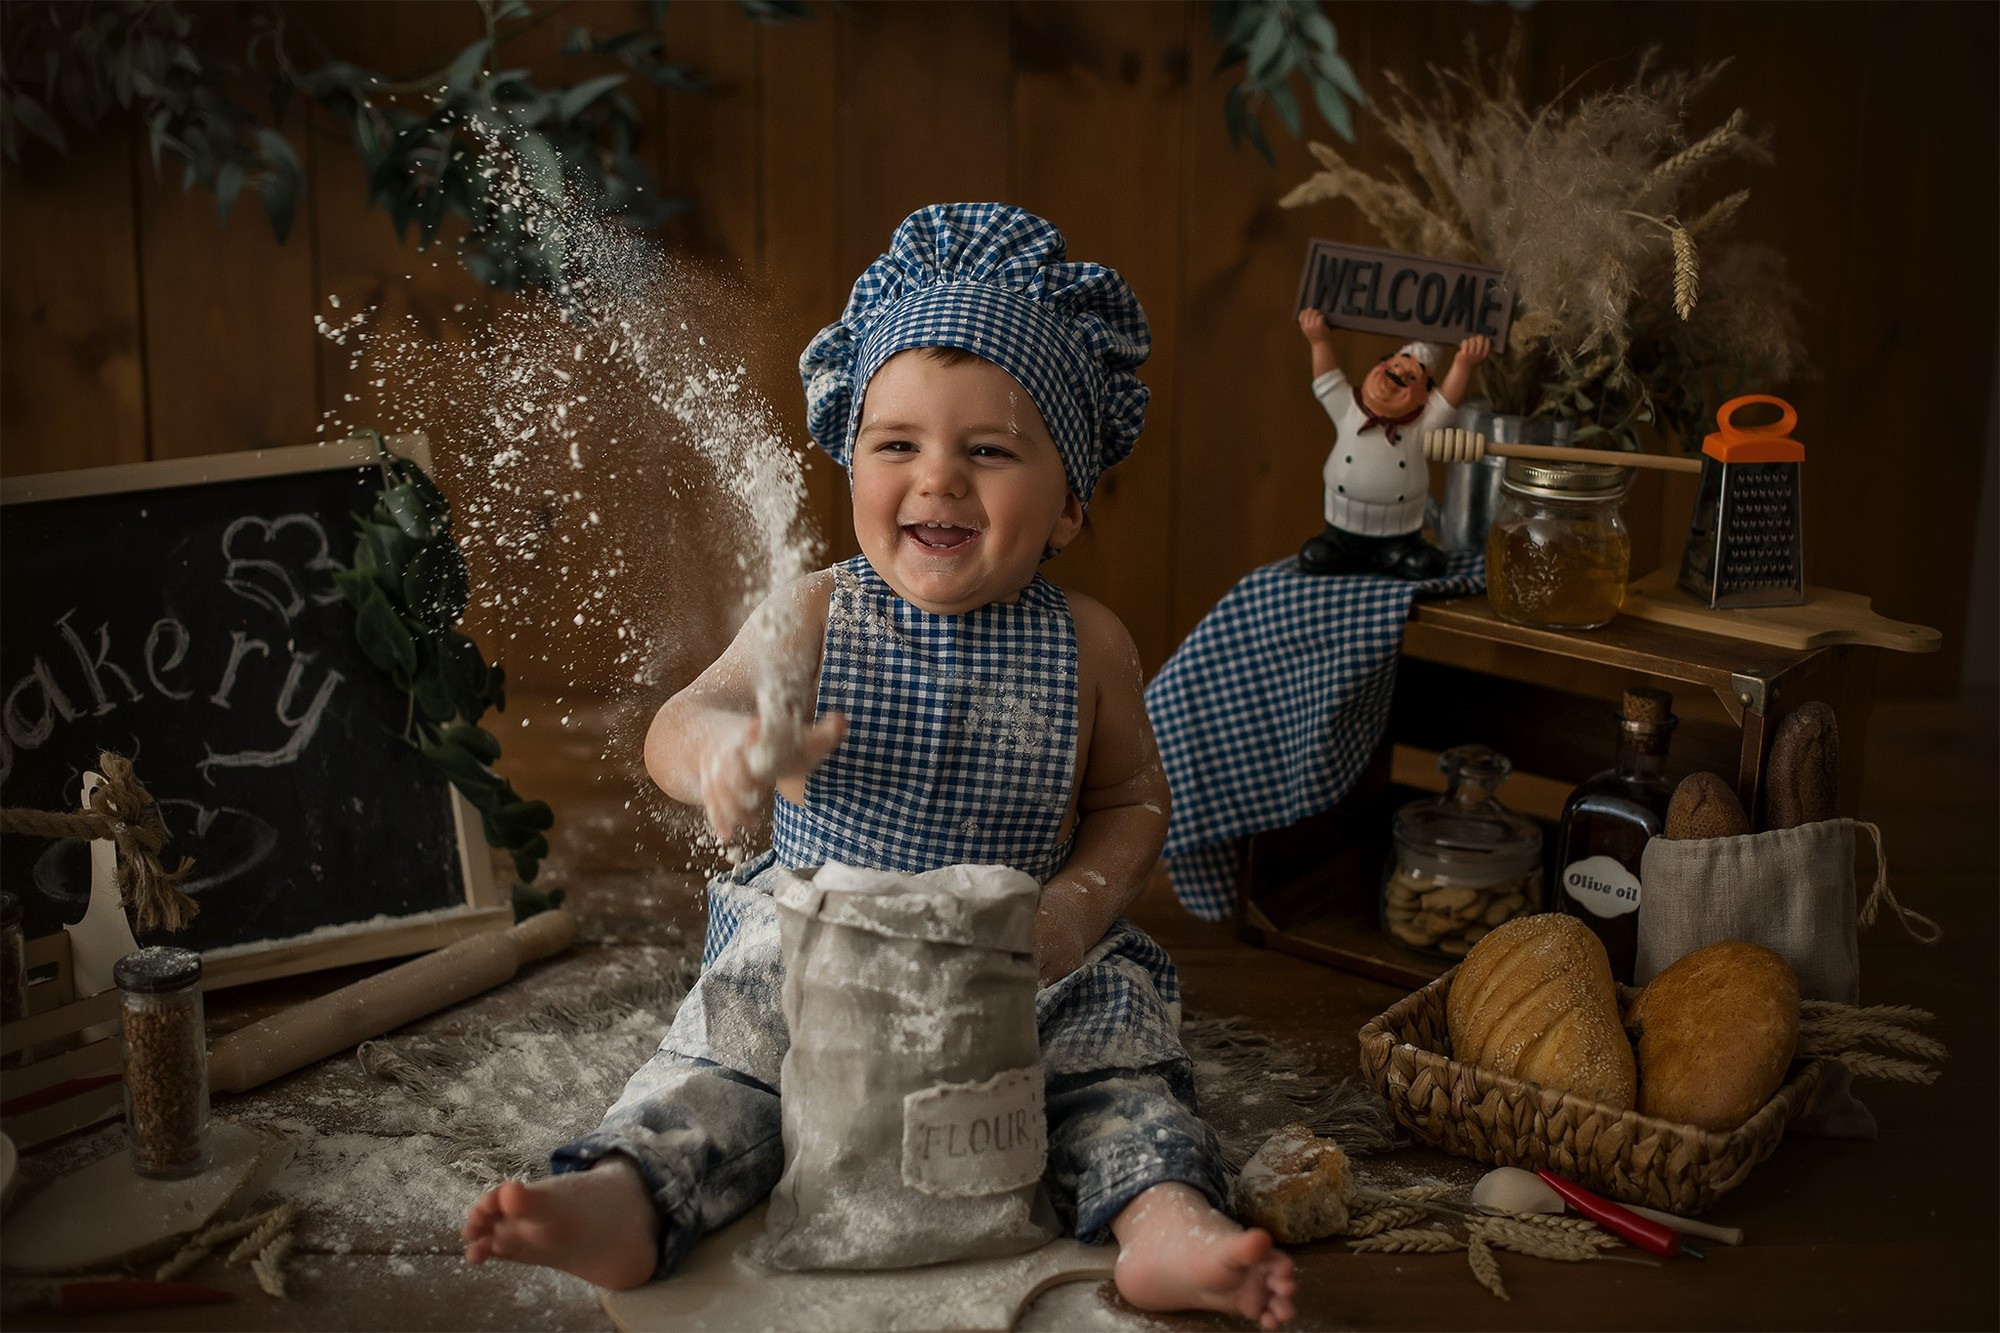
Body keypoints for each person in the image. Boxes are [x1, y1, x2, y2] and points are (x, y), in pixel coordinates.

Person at [461, 204, 1298, 1329]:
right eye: (895, 443)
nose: (936, 480)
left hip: (1012, 963)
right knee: (728, 1073)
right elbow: (682, 719)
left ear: (1069, 502)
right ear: (849, 456)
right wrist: (723, 755)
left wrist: (1070, 912)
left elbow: (1130, 802)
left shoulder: (1088, 642)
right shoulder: (814, 612)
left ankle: (1161, 1223)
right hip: (817, 943)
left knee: (1112, 1076)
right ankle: (626, 1197)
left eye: (987, 450)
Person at [1296, 306, 1490, 579]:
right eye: (1394, 366)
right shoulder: (1348, 408)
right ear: (1378, 366)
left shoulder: (1420, 426)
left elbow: (1446, 403)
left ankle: (1400, 555)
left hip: (1399, 534)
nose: (1397, 376)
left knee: (1423, 566)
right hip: (1342, 526)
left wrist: (1463, 365)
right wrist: (1320, 341)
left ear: (1424, 395)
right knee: (1316, 556)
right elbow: (1326, 379)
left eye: (1412, 378)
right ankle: (1341, 549)